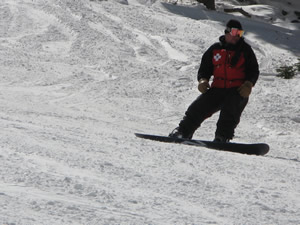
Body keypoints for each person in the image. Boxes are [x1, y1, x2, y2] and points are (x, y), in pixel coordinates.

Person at [169, 19, 259, 142]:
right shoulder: (215, 49)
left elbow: (253, 70)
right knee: (197, 108)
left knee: (229, 112)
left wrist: (248, 84)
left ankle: (222, 137)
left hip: (237, 90)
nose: (237, 37)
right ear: (227, 33)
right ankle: (183, 132)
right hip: (218, 88)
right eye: (234, 32)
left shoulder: (245, 51)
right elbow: (205, 68)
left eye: (240, 33)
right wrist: (203, 80)